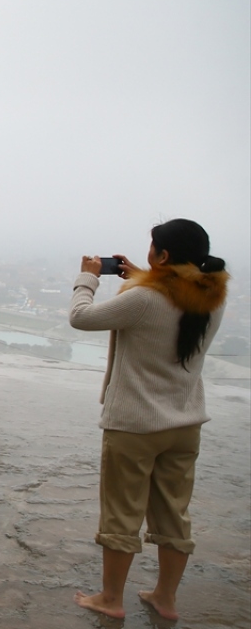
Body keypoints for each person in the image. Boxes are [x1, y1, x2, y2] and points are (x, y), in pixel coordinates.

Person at [69, 219, 227, 621]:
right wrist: (142, 276)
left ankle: (110, 598)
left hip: (135, 424)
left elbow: (81, 317)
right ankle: (165, 598)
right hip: (185, 424)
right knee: (174, 512)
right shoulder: (212, 297)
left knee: (122, 512)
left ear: (165, 256)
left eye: (152, 247)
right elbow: (172, 299)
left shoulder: (143, 300)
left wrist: (87, 279)